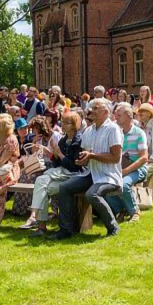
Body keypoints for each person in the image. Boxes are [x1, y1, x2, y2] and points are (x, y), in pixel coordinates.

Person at [51, 98, 124, 239]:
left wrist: (91, 156)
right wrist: (82, 161)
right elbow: (85, 158)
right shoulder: (88, 131)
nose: (92, 111)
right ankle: (66, 230)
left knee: (92, 194)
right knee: (64, 188)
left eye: (96, 108)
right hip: (90, 174)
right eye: (91, 108)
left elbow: (115, 157)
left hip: (109, 176)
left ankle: (112, 226)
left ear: (106, 111)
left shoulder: (113, 129)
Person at [21, 112, 85, 236]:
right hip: (61, 173)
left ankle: (35, 217)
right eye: (63, 122)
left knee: (40, 180)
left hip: (74, 175)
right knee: (43, 187)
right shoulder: (63, 140)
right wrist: (54, 155)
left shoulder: (79, 141)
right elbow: (57, 164)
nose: (63, 124)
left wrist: (59, 154)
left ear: (74, 125)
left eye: (67, 122)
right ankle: (41, 227)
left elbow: (74, 166)